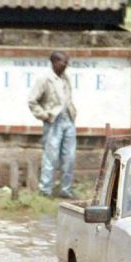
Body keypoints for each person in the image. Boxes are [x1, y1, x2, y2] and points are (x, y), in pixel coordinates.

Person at [27, 51, 77, 199]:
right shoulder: (45, 79)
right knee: (51, 157)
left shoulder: (65, 78)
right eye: (63, 62)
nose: (66, 65)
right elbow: (32, 100)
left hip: (68, 120)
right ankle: (45, 190)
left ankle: (65, 190)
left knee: (70, 157)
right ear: (54, 62)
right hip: (53, 121)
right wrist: (44, 116)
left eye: (67, 62)